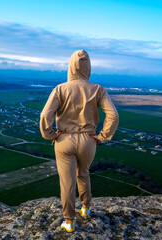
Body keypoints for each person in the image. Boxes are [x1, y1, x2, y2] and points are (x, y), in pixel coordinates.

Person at [39, 50, 119, 233]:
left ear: (70, 67)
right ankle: (85, 208)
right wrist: (103, 136)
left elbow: (45, 115)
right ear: (88, 67)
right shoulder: (98, 89)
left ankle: (69, 221)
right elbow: (113, 115)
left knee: (67, 182)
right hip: (88, 140)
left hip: (64, 139)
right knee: (83, 174)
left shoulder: (60, 89)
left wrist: (50, 134)